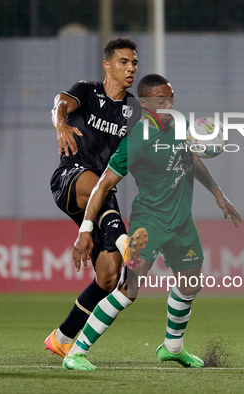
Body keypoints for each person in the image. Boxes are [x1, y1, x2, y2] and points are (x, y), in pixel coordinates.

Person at [62, 74, 242, 370]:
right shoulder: (137, 141)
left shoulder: (180, 124)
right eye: (162, 101)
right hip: (150, 222)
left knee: (191, 280)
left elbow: (193, 159)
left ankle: (172, 347)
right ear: (144, 104)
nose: (169, 105)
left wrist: (219, 195)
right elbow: (103, 185)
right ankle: (77, 351)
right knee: (130, 287)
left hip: (182, 222)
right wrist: (86, 228)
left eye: (171, 98)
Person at [45, 38, 146, 358]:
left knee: (109, 276)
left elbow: (133, 153)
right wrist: (60, 122)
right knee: (96, 185)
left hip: (102, 194)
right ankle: (124, 241)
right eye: (123, 62)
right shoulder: (87, 91)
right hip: (72, 179)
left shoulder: (134, 111)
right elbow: (60, 102)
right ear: (107, 65)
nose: (130, 68)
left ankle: (61, 338)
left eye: (134, 63)